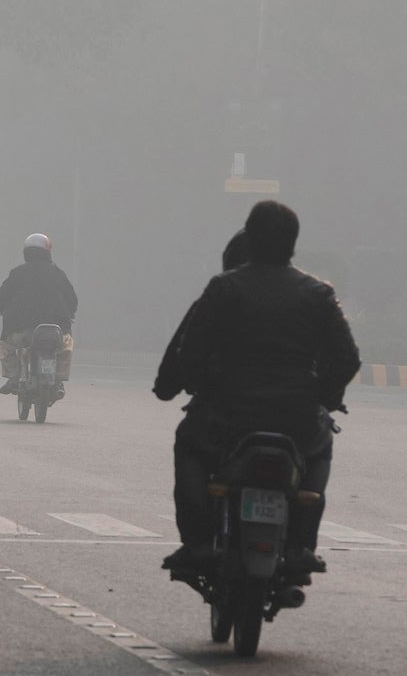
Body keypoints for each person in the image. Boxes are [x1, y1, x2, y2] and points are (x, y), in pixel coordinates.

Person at [153, 201, 360, 583]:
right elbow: (347, 359)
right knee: (319, 448)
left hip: (226, 416)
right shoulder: (318, 294)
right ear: (293, 243)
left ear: (249, 235)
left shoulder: (223, 288)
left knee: (189, 445)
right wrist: (325, 397)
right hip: (297, 417)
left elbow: (191, 351)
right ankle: (301, 545)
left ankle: (197, 542)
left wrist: (200, 386)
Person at [0, 232, 78, 395]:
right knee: (66, 347)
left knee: (6, 347)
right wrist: (70, 314)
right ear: (48, 252)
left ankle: (14, 377)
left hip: (20, 332)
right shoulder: (57, 273)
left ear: (26, 253)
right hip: (55, 332)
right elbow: (72, 299)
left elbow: (2, 295)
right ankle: (58, 380)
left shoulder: (17, 273)